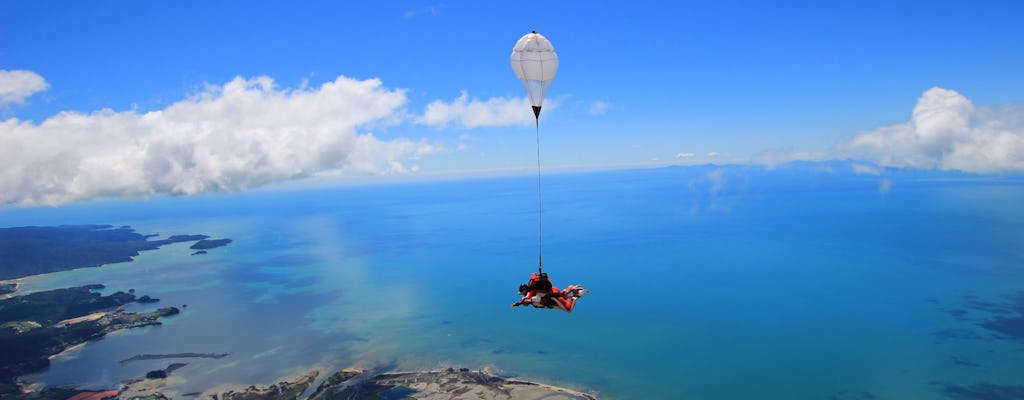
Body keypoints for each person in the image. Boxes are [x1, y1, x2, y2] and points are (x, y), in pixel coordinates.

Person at [512, 272, 586, 313]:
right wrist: (519, 303)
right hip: (553, 292)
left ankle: (576, 295)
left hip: (553, 296)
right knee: (563, 297)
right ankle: (570, 288)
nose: (526, 305)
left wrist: (520, 303)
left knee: (568, 308)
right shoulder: (533, 290)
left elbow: (533, 298)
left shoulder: (531, 294)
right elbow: (526, 298)